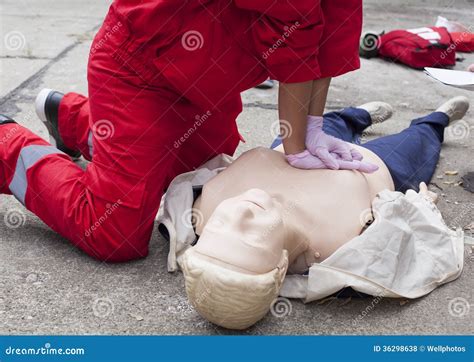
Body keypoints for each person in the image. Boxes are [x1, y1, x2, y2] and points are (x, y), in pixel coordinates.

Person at [0, 0, 366, 262]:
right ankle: (8, 145)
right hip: (138, 68)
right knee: (114, 231)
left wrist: (313, 126)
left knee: (201, 180)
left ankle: (73, 118)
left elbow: (330, 32)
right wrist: (297, 141)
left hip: (203, 82)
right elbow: (295, 31)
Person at [168, 96, 469, 329]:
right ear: (281, 264)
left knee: (328, 121)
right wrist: (421, 207)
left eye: (221, 224)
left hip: (295, 147)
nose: (241, 214)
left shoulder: (204, 204)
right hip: (379, 164)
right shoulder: (336, 248)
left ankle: (357, 116)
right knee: (421, 141)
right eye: (250, 236)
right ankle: (435, 119)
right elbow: (406, 241)